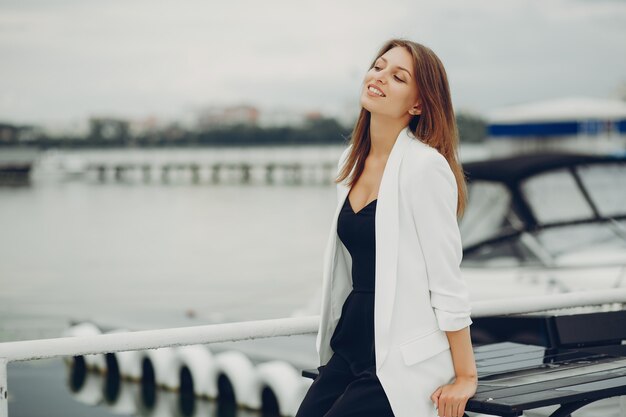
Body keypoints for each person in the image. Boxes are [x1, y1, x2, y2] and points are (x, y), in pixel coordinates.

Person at [295, 38, 478, 417]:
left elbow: (446, 279)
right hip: (350, 344)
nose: (379, 77)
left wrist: (465, 376)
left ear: (418, 103)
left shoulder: (425, 167)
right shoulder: (351, 160)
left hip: (400, 356)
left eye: (398, 76)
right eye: (378, 67)